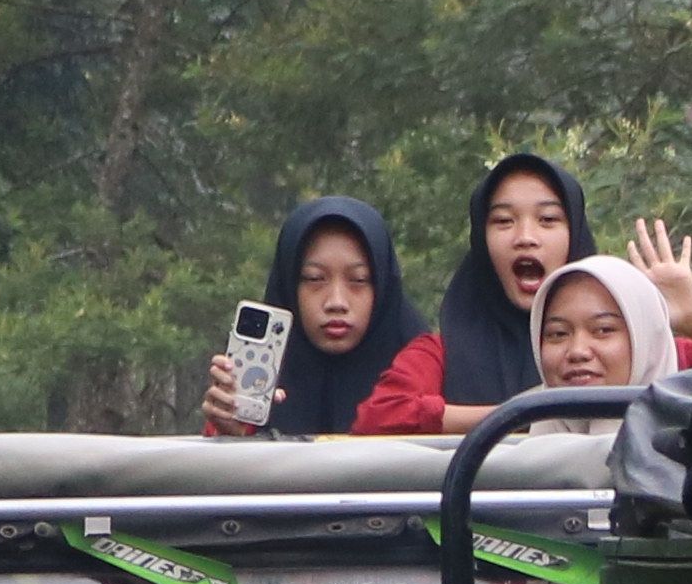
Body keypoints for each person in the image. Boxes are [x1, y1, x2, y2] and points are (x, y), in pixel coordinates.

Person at [347, 153, 592, 429]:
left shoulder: (608, 347)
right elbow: (378, 417)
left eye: (547, 219)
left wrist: (651, 311)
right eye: (503, 221)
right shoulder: (442, 352)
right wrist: (517, 417)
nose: (525, 237)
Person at [195, 194, 415, 438]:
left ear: (382, 285)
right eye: (314, 278)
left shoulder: (425, 366)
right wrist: (229, 432)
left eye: (359, 280)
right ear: (289, 285)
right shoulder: (262, 376)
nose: (336, 302)